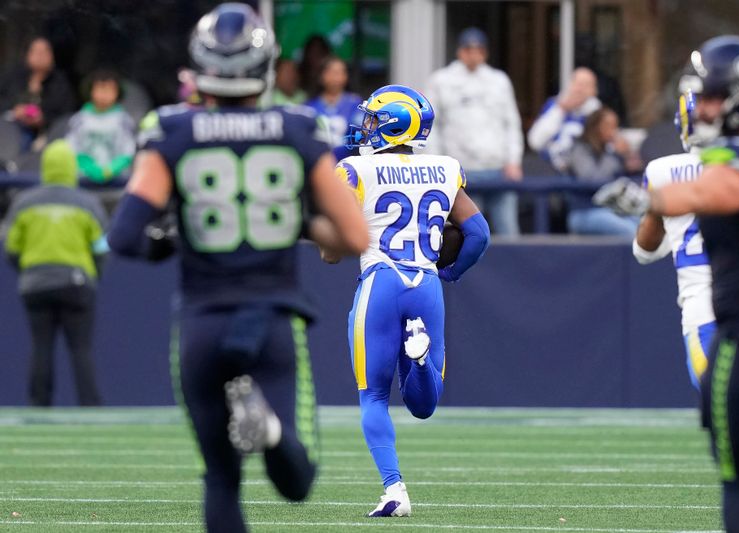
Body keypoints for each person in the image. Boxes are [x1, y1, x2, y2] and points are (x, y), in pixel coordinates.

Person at [106, 5, 368, 533]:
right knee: (297, 482)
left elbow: (125, 237)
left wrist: (178, 230)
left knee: (220, 481)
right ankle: (269, 430)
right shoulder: (299, 126)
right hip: (271, 317)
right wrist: (293, 216)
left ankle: (263, 431)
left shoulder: (172, 130)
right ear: (265, 63)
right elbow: (355, 236)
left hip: (202, 319)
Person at [594, 35, 739, 532]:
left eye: (711, 95)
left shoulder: (715, 164)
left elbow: (724, 188)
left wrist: (652, 201)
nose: (703, 107)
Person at [333, 84, 490, 516]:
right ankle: (418, 360)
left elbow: (333, 244)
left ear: (393, 126)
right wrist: (448, 273)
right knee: (423, 405)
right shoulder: (444, 168)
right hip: (425, 284)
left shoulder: (353, 171)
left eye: (372, 121)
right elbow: (479, 235)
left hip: (379, 281)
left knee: (374, 397)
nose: (364, 128)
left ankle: (394, 489)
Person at [634, 91, 739, 522]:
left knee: (730, 430)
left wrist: (649, 208)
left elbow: (645, 251)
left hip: (708, 311)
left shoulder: (666, 171)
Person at [2, 140, 106, 407]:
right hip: (77, 282)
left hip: (35, 284)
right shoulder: (87, 203)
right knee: (80, 348)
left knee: (41, 346)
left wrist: (29, 269)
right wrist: (93, 273)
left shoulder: (24, 203)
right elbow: (102, 246)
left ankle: (39, 404)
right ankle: (90, 406)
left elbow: (12, 247)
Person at [425, 27, 523, 237]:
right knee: (470, 232)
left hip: (497, 167)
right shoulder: (442, 80)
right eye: (468, 49)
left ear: (485, 52)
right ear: (460, 51)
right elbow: (432, 126)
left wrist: (513, 160)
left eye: (478, 49)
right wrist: (439, 163)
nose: (473, 54)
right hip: (462, 170)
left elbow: (511, 124)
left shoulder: (499, 80)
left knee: (509, 230)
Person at [564, 106, 639, 237]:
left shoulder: (608, 151)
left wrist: (627, 155)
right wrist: (615, 155)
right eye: (609, 126)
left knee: (644, 227)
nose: (614, 132)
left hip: (613, 210)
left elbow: (635, 171)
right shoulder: (579, 149)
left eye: (616, 126)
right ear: (596, 127)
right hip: (584, 212)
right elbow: (591, 177)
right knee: (631, 232)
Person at [0, 37, 76, 152]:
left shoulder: (60, 82)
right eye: (36, 51)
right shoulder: (13, 77)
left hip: (47, 137)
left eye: (45, 52)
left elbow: (67, 115)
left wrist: (43, 119)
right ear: (27, 54)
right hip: (10, 134)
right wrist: (15, 111)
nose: (40, 56)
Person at [66, 69, 136, 183]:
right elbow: (72, 148)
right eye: (100, 88)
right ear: (90, 90)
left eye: (109, 89)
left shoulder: (125, 121)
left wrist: (112, 169)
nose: (104, 94)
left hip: (118, 182)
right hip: (84, 181)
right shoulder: (78, 120)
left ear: (118, 92)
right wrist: (89, 167)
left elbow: (128, 151)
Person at [528, 67, 602, 173]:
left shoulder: (598, 112)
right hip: (550, 170)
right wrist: (561, 110)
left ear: (594, 91)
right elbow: (535, 141)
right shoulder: (554, 105)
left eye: (586, 85)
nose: (580, 90)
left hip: (583, 172)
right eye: (578, 84)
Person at [305, 56, 362, 148]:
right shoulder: (309, 106)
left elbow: (359, 133)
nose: (336, 77)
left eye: (341, 72)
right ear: (321, 76)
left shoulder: (355, 103)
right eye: (332, 72)